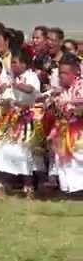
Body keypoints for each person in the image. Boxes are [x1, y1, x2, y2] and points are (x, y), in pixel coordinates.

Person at [0, 50, 40, 198]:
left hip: (28, 120)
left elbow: (30, 90)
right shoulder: (10, 78)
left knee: (24, 154)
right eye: (12, 62)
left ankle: (29, 188)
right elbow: (7, 98)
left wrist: (15, 85)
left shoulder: (31, 76)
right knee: (3, 151)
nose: (13, 65)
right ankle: (3, 187)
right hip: (12, 120)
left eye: (16, 62)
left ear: (25, 64)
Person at [48, 53, 83, 195]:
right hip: (63, 130)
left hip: (79, 131)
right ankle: (69, 190)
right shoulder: (62, 90)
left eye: (65, 73)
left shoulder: (80, 86)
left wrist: (72, 106)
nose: (61, 76)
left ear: (75, 72)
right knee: (63, 160)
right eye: (60, 72)